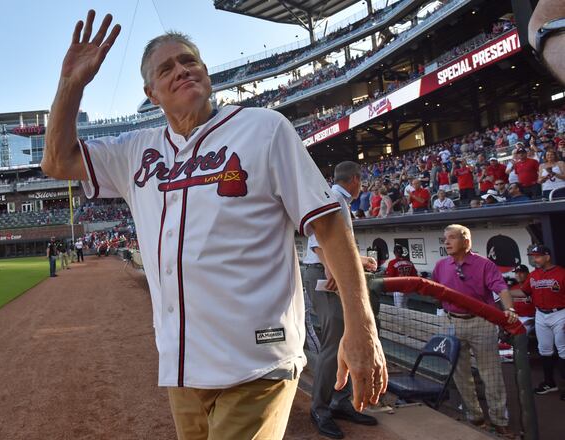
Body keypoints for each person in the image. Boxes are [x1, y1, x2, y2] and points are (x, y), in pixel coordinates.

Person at [42, 13, 387, 440]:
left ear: (206, 73)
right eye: (166, 68)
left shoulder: (264, 128)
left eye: (189, 61)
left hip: (257, 360)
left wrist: (361, 325)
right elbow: (57, 161)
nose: (182, 69)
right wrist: (71, 84)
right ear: (150, 93)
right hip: (184, 368)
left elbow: (330, 224)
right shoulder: (135, 151)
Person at [304, 161, 380, 439]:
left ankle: (338, 401)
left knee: (345, 336)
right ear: (355, 179)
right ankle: (320, 408)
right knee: (335, 342)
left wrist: (358, 260)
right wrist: (333, 267)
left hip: (327, 272)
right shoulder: (334, 197)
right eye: (361, 181)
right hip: (324, 275)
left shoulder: (336, 198)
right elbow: (317, 241)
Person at [432, 225, 517, 435]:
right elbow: (433, 290)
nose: (447, 242)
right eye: (445, 239)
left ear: (466, 242)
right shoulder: (441, 265)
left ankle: (499, 420)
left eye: (452, 238)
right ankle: (475, 417)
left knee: (491, 374)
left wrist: (510, 309)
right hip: (452, 321)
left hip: (481, 322)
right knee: (460, 374)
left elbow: (501, 288)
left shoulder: (484, 264)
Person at [520, 245, 565, 400]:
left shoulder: (561, 273)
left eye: (538, 256)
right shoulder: (534, 275)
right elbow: (523, 291)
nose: (535, 259)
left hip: (560, 313)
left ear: (547, 257)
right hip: (541, 314)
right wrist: (501, 291)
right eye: (533, 256)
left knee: (563, 350)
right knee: (544, 349)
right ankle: (549, 382)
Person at [384, 244, 418, 308]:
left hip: (398, 288)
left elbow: (390, 277)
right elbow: (415, 275)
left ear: (394, 252)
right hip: (408, 288)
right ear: (402, 252)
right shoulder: (409, 262)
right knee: (404, 305)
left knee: (398, 308)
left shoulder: (392, 263)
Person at [509, 265, 536, 335]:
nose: (518, 275)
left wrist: (535, 319)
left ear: (528, 274)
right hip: (517, 318)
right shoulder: (513, 288)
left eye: (521, 273)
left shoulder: (533, 287)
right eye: (516, 273)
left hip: (530, 318)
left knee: (520, 332)